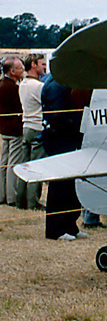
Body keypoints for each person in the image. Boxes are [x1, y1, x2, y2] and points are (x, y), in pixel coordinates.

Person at [41, 77, 89, 240]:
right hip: (59, 140)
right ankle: (55, 229)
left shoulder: (63, 83)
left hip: (66, 139)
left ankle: (69, 225)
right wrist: (76, 126)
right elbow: (56, 116)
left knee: (69, 186)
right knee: (59, 186)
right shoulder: (55, 85)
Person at [18, 54, 46, 209]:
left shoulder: (23, 84)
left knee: (24, 166)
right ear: (34, 65)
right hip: (37, 127)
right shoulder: (38, 87)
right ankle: (33, 201)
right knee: (36, 167)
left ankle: (20, 199)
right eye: (42, 64)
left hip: (26, 126)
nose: (44, 67)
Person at [0, 57, 26, 208]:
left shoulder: (2, 85)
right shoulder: (13, 88)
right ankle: (12, 196)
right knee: (13, 163)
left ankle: (2, 194)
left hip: (3, 129)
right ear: (13, 71)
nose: (23, 70)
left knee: (3, 162)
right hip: (14, 129)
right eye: (21, 68)